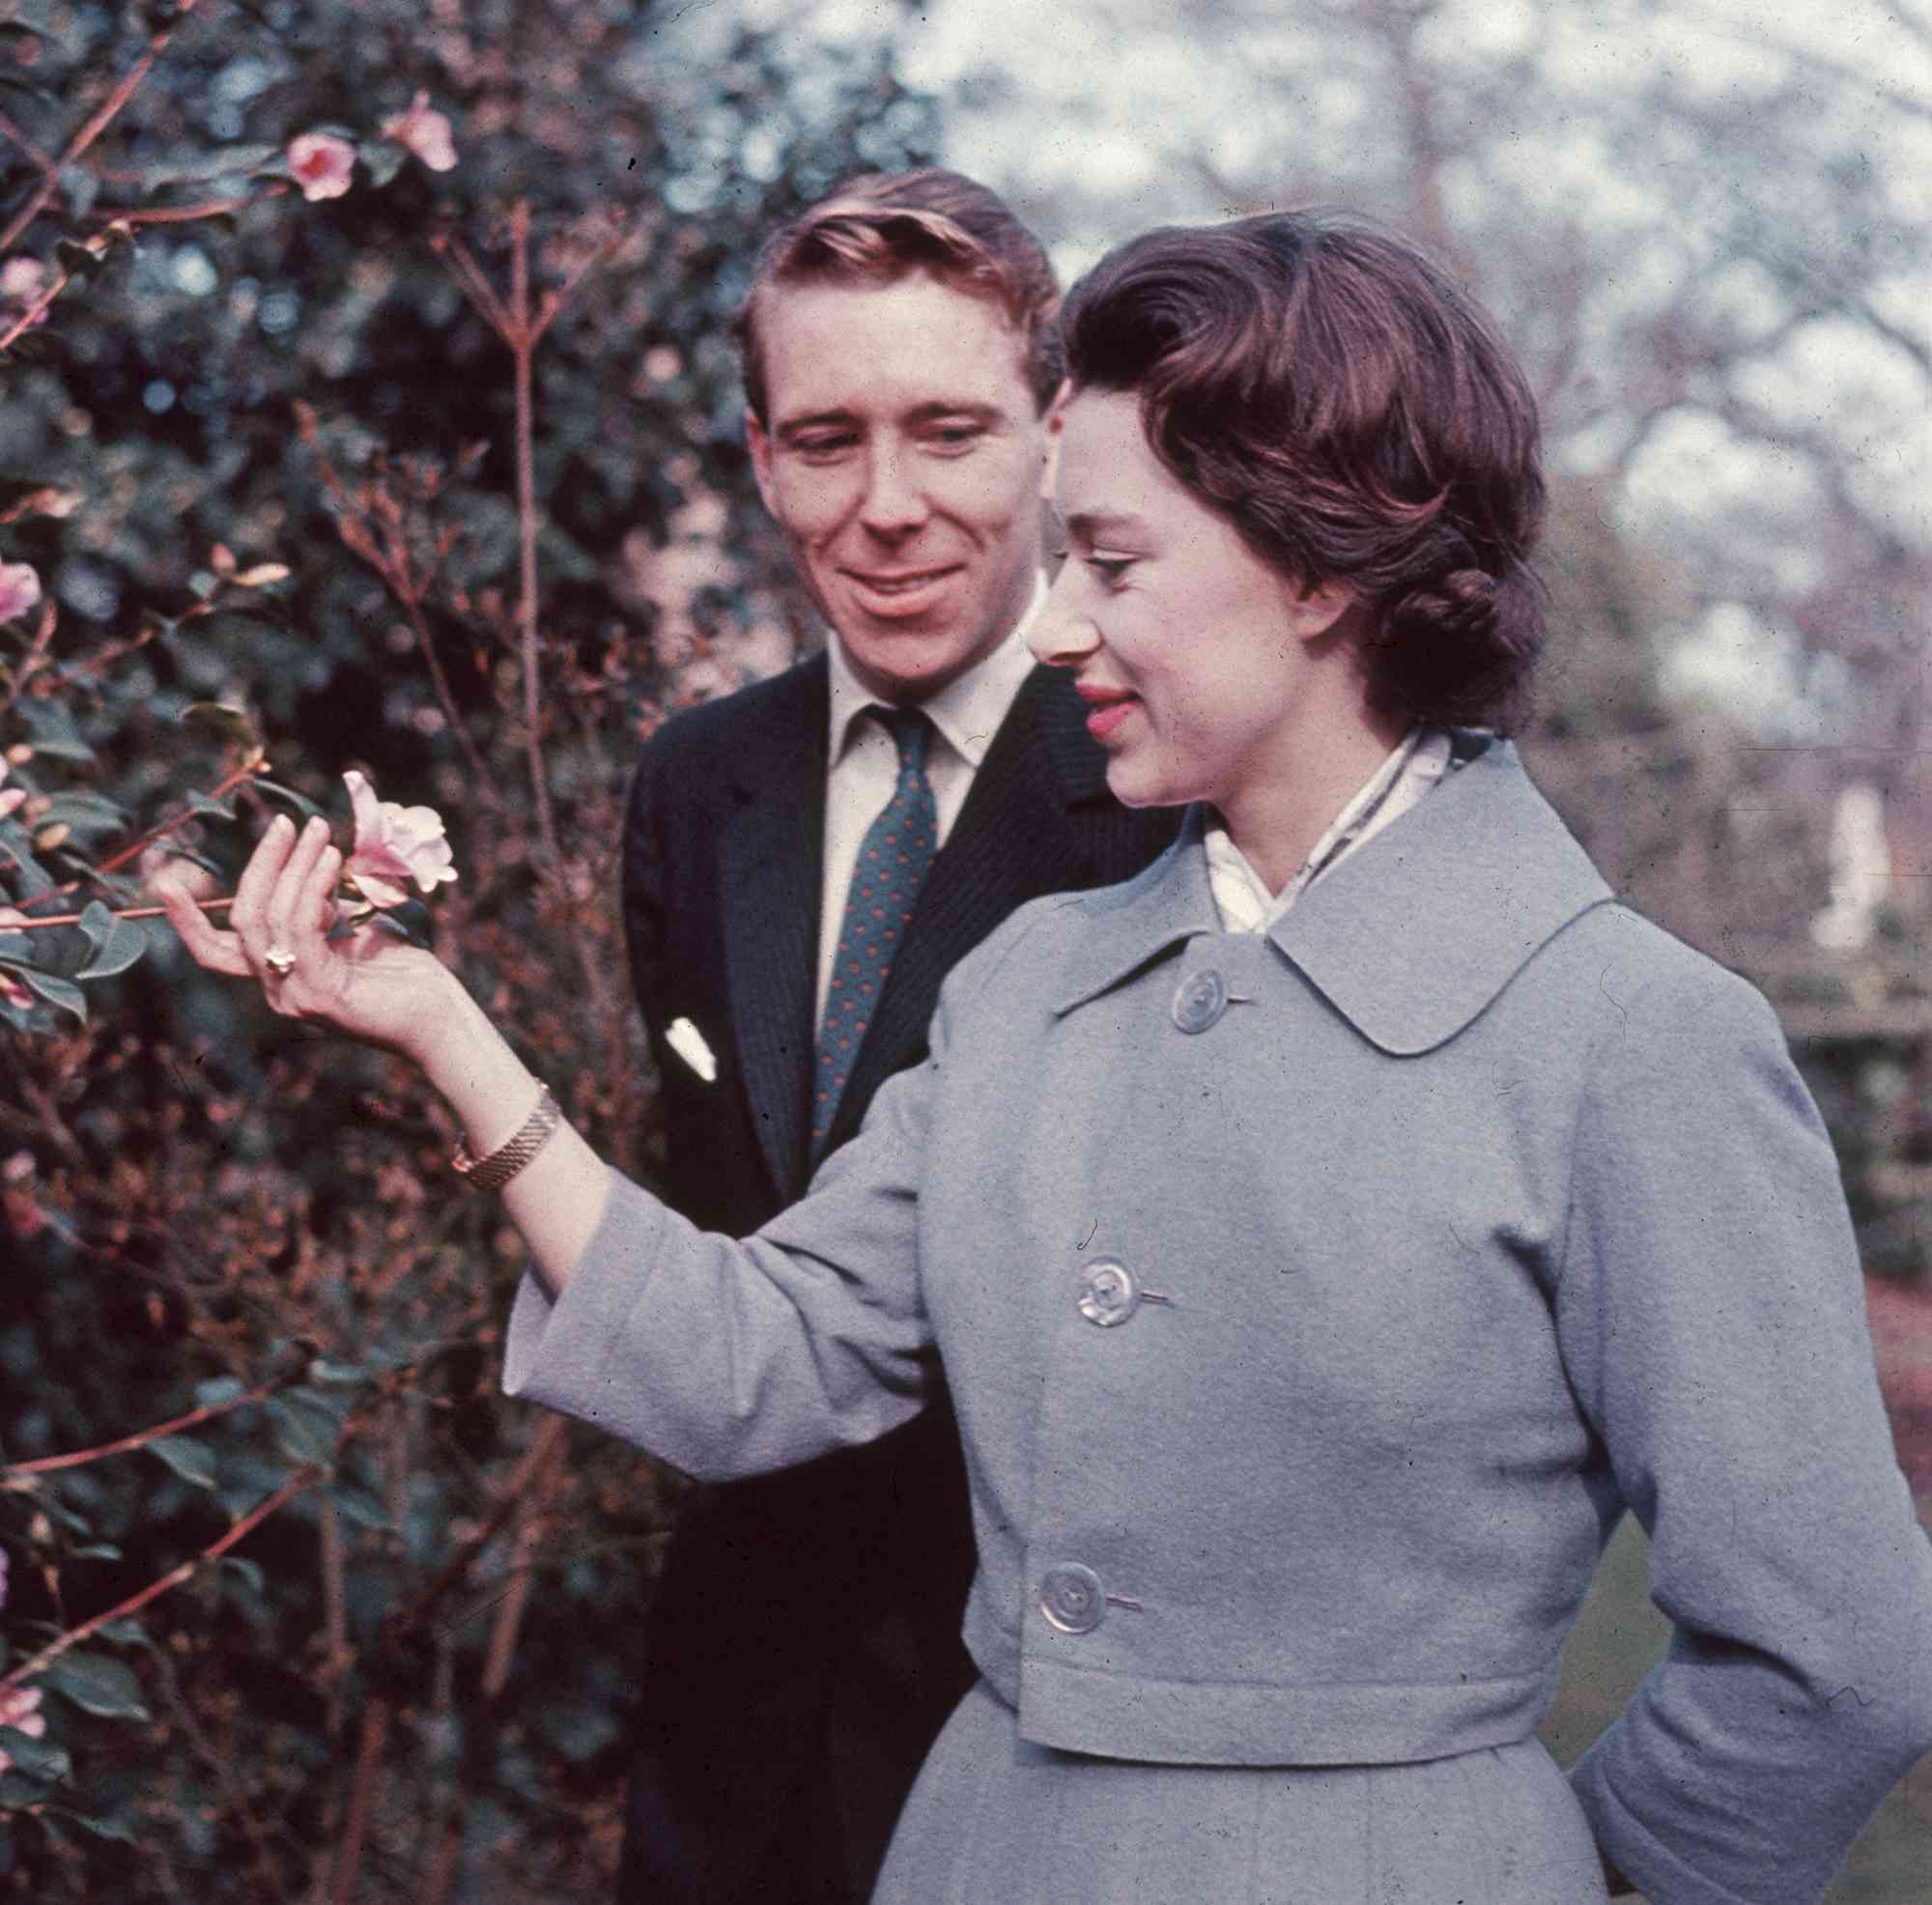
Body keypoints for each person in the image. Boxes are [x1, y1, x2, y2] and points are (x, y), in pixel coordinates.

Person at [164, 208, 1932, 1905]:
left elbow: (1831, 1653)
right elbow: (748, 1361)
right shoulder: (1030, 984)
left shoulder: (1637, 1043)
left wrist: (1542, 1868)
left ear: (1321, 565)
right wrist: (433, 1019)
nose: (1061, 624)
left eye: (1113, 559)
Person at [612, 169, 1177, 1902]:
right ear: (764, 459)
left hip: (1048, 1742)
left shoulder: (1173, 784)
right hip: (728, 1757)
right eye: (824, 438)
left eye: (948, 431)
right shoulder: (696, 787)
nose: (886, 507)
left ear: (1054, 434)